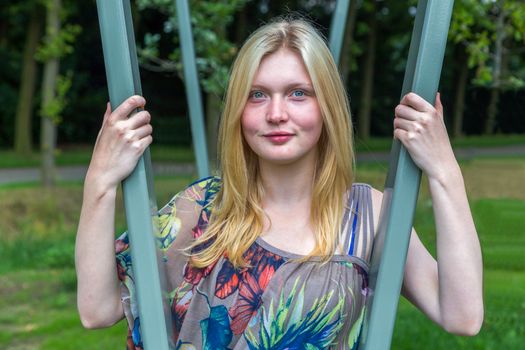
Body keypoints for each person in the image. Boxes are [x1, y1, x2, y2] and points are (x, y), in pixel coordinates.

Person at [75, 17, 483, 349]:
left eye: (298, 93)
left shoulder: (369, 216)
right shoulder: (201, 209)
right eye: (257, 95)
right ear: (238, 111)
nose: (276, 113)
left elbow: (462, 315)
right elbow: (97, 310)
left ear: (327, 108)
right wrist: (100, 180)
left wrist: (443, 169)